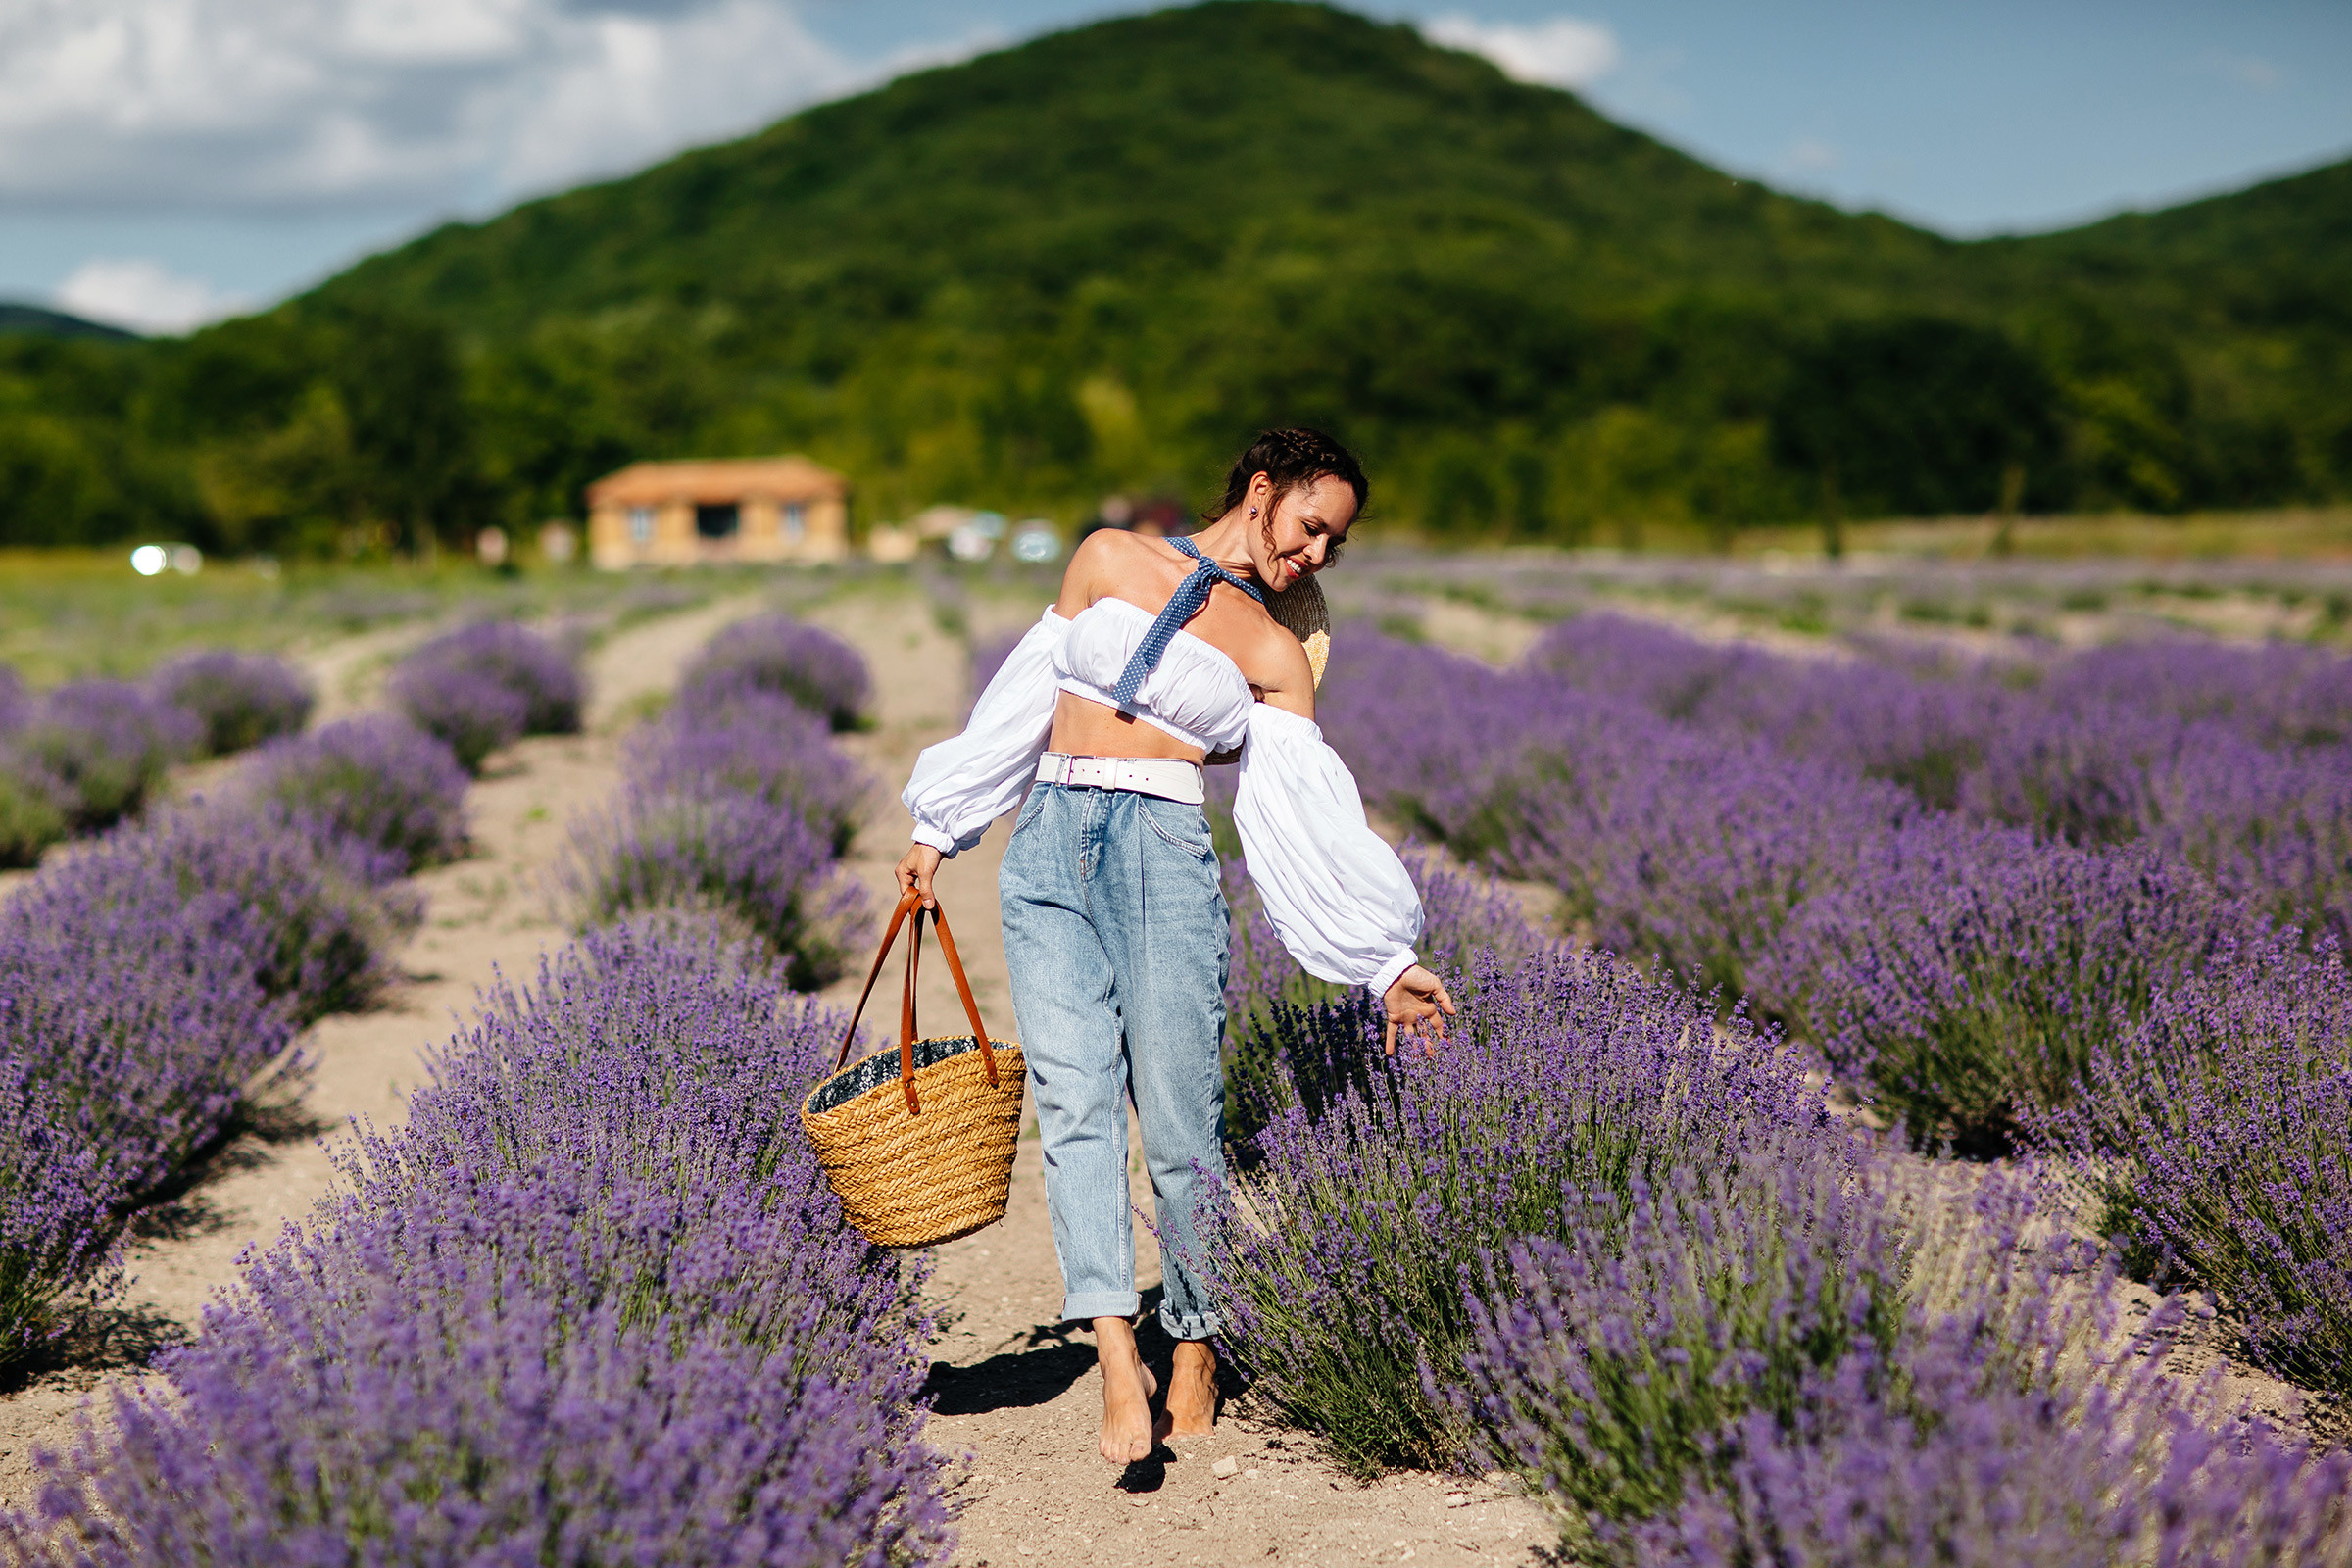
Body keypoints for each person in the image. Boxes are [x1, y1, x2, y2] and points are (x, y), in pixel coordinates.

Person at [895, 428, 1456, 1468]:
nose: (1319, 554)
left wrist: (1385, 957)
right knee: (1071, 1104)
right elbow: (1026, 693)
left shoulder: (1276, 653)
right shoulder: (1108, 557)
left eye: (1337, 542)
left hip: (1161, 851)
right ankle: (1118, 1349)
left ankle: (1193, 1334)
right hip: (1049, 844)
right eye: (1312, 525)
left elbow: (1309, 820)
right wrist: (942, 823)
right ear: (1261, 490)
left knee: (1185, 1121)